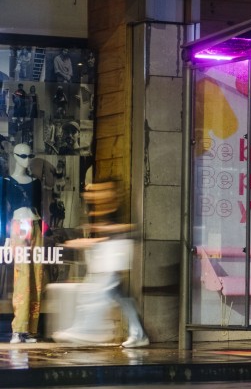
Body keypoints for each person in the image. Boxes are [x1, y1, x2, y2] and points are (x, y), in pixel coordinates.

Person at [51, 180, 148, 348]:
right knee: (120, 295)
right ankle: (138, 333)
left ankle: (90, 329)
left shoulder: (116, 208)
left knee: (98, 291)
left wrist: (95, 239)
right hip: (108, 252)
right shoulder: (100, 209)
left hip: (114, 252)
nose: (92, 195)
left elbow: (130, 229)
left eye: (97, 191)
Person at [3, 143, 43, 343]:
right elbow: (3, 211)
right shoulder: (6, 182)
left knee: (36, 277)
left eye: (29, 156)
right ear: (15, 156)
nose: (27, 160)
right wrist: (5, 238)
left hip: (35, 226)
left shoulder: (36, 182)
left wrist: (44, 232)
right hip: (18, 227)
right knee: (22, 276)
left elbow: (40, 208)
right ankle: (18, 329)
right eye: (23, 156)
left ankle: (30, 329)